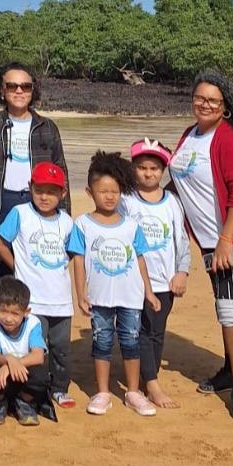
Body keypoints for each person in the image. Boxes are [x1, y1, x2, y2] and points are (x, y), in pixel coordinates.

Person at [169, 72, 233, 421]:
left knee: (231, 310)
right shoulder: (191, 135)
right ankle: (231, 371)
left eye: (213, 100)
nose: (205, 104)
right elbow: (180, 183)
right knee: (228, 307)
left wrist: (226, 240)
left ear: (225, 107)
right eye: (200, 98)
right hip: (211, 242)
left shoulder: (230, 141)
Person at [68, 151, 161, 417]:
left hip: (130, 296)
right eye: (103, 191)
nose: (109, 196)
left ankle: (133, 392)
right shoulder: (83, 224)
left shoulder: (131, 226)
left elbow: (140, 260)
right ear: (89, 192)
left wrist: (149, 292)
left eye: (115, 191)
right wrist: (81, 293)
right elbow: (77, 260)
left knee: (131, 341)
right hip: (100, 297)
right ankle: (103, 392)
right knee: (102, 341)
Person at [0, 62, 69, 280]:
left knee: (36, 270)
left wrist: (64, 212)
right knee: (3, 273)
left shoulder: (47, 127)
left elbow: (59, 167)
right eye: (12, 86)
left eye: (26, 86)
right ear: (2, 91)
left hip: (38, 203)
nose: (19, 91)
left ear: (33, 91)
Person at [0, 162, 76, 409]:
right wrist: (17, 266)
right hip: (32, 300)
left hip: (60, 298)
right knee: (37, 347)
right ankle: (35, 388)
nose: (45, 197)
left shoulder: (67, 222)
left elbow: (71, 253)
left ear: (63, 194)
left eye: (52, 191)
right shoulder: (20, 213)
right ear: (30, 188)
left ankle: (59, 388)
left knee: (61, 348)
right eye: (40, 190)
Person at [122, 139, 190, 410]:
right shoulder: (126, 201)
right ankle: (150, 384)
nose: (148, 173)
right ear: (132, 169)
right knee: (140, 332)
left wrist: (182, 272)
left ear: (163, 170)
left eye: (153, 168)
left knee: (156, 331)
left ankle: (148, 374)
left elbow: (182, 240)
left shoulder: (172, 202)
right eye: (141, 168)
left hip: (165, 281)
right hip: (133, 280)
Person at [0, 277, 52, 426]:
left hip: (23, 376)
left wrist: (11, 364)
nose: (8, 318)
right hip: (1, 378)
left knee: (42, 373)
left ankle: (24, 401)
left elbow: (38, 356)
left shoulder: (33, 323)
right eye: (3, 311)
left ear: (26, 312)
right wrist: (9, 360)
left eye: (15, 313)